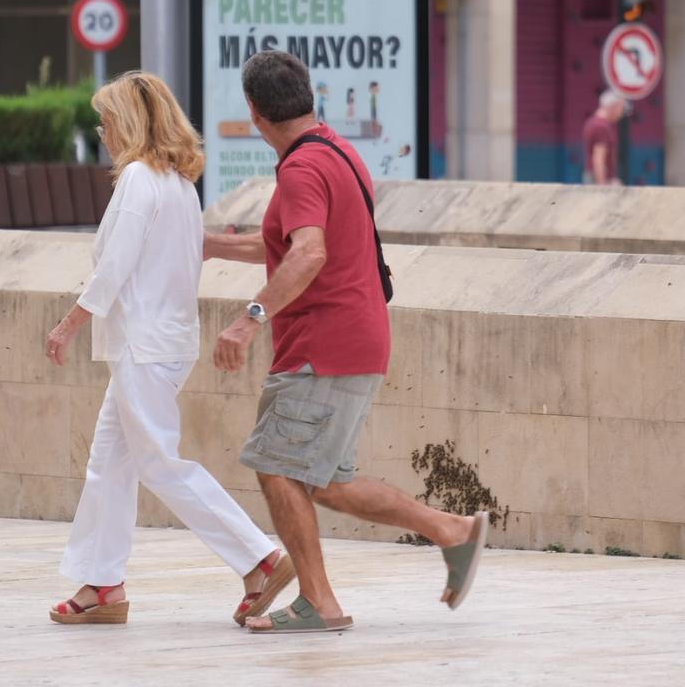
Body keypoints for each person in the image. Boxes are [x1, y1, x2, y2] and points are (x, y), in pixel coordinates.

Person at [205, 50, 488, 634]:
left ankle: (319, 603)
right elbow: (290, 244)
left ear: (255, 112)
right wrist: (211, 244)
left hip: (322, 345)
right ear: (308, 95)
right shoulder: (336, 150)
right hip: (354, 337)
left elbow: (309, 253)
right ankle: (452, 530)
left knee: (275, 467)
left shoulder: (300, 170)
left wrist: (249, 317)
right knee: (326, 481)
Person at [44, 71, 295, 626]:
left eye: (105, 121)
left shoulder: (137, 179)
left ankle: (260, 557)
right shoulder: (179, 185)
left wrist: (68, 325)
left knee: (157, 462)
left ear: (127, 124)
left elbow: (115, 268)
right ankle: (101, 585)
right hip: (165, 342)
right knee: (109, 463)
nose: (102, 131)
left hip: (145, 345)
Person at [583, 90, 630, 185]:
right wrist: (603, 186)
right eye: (621, 108)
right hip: (598, 179)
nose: (621, 114)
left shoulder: (594, 123)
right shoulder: (601, 127)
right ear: (614, 106)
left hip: (597, 177)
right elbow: (598, 158)